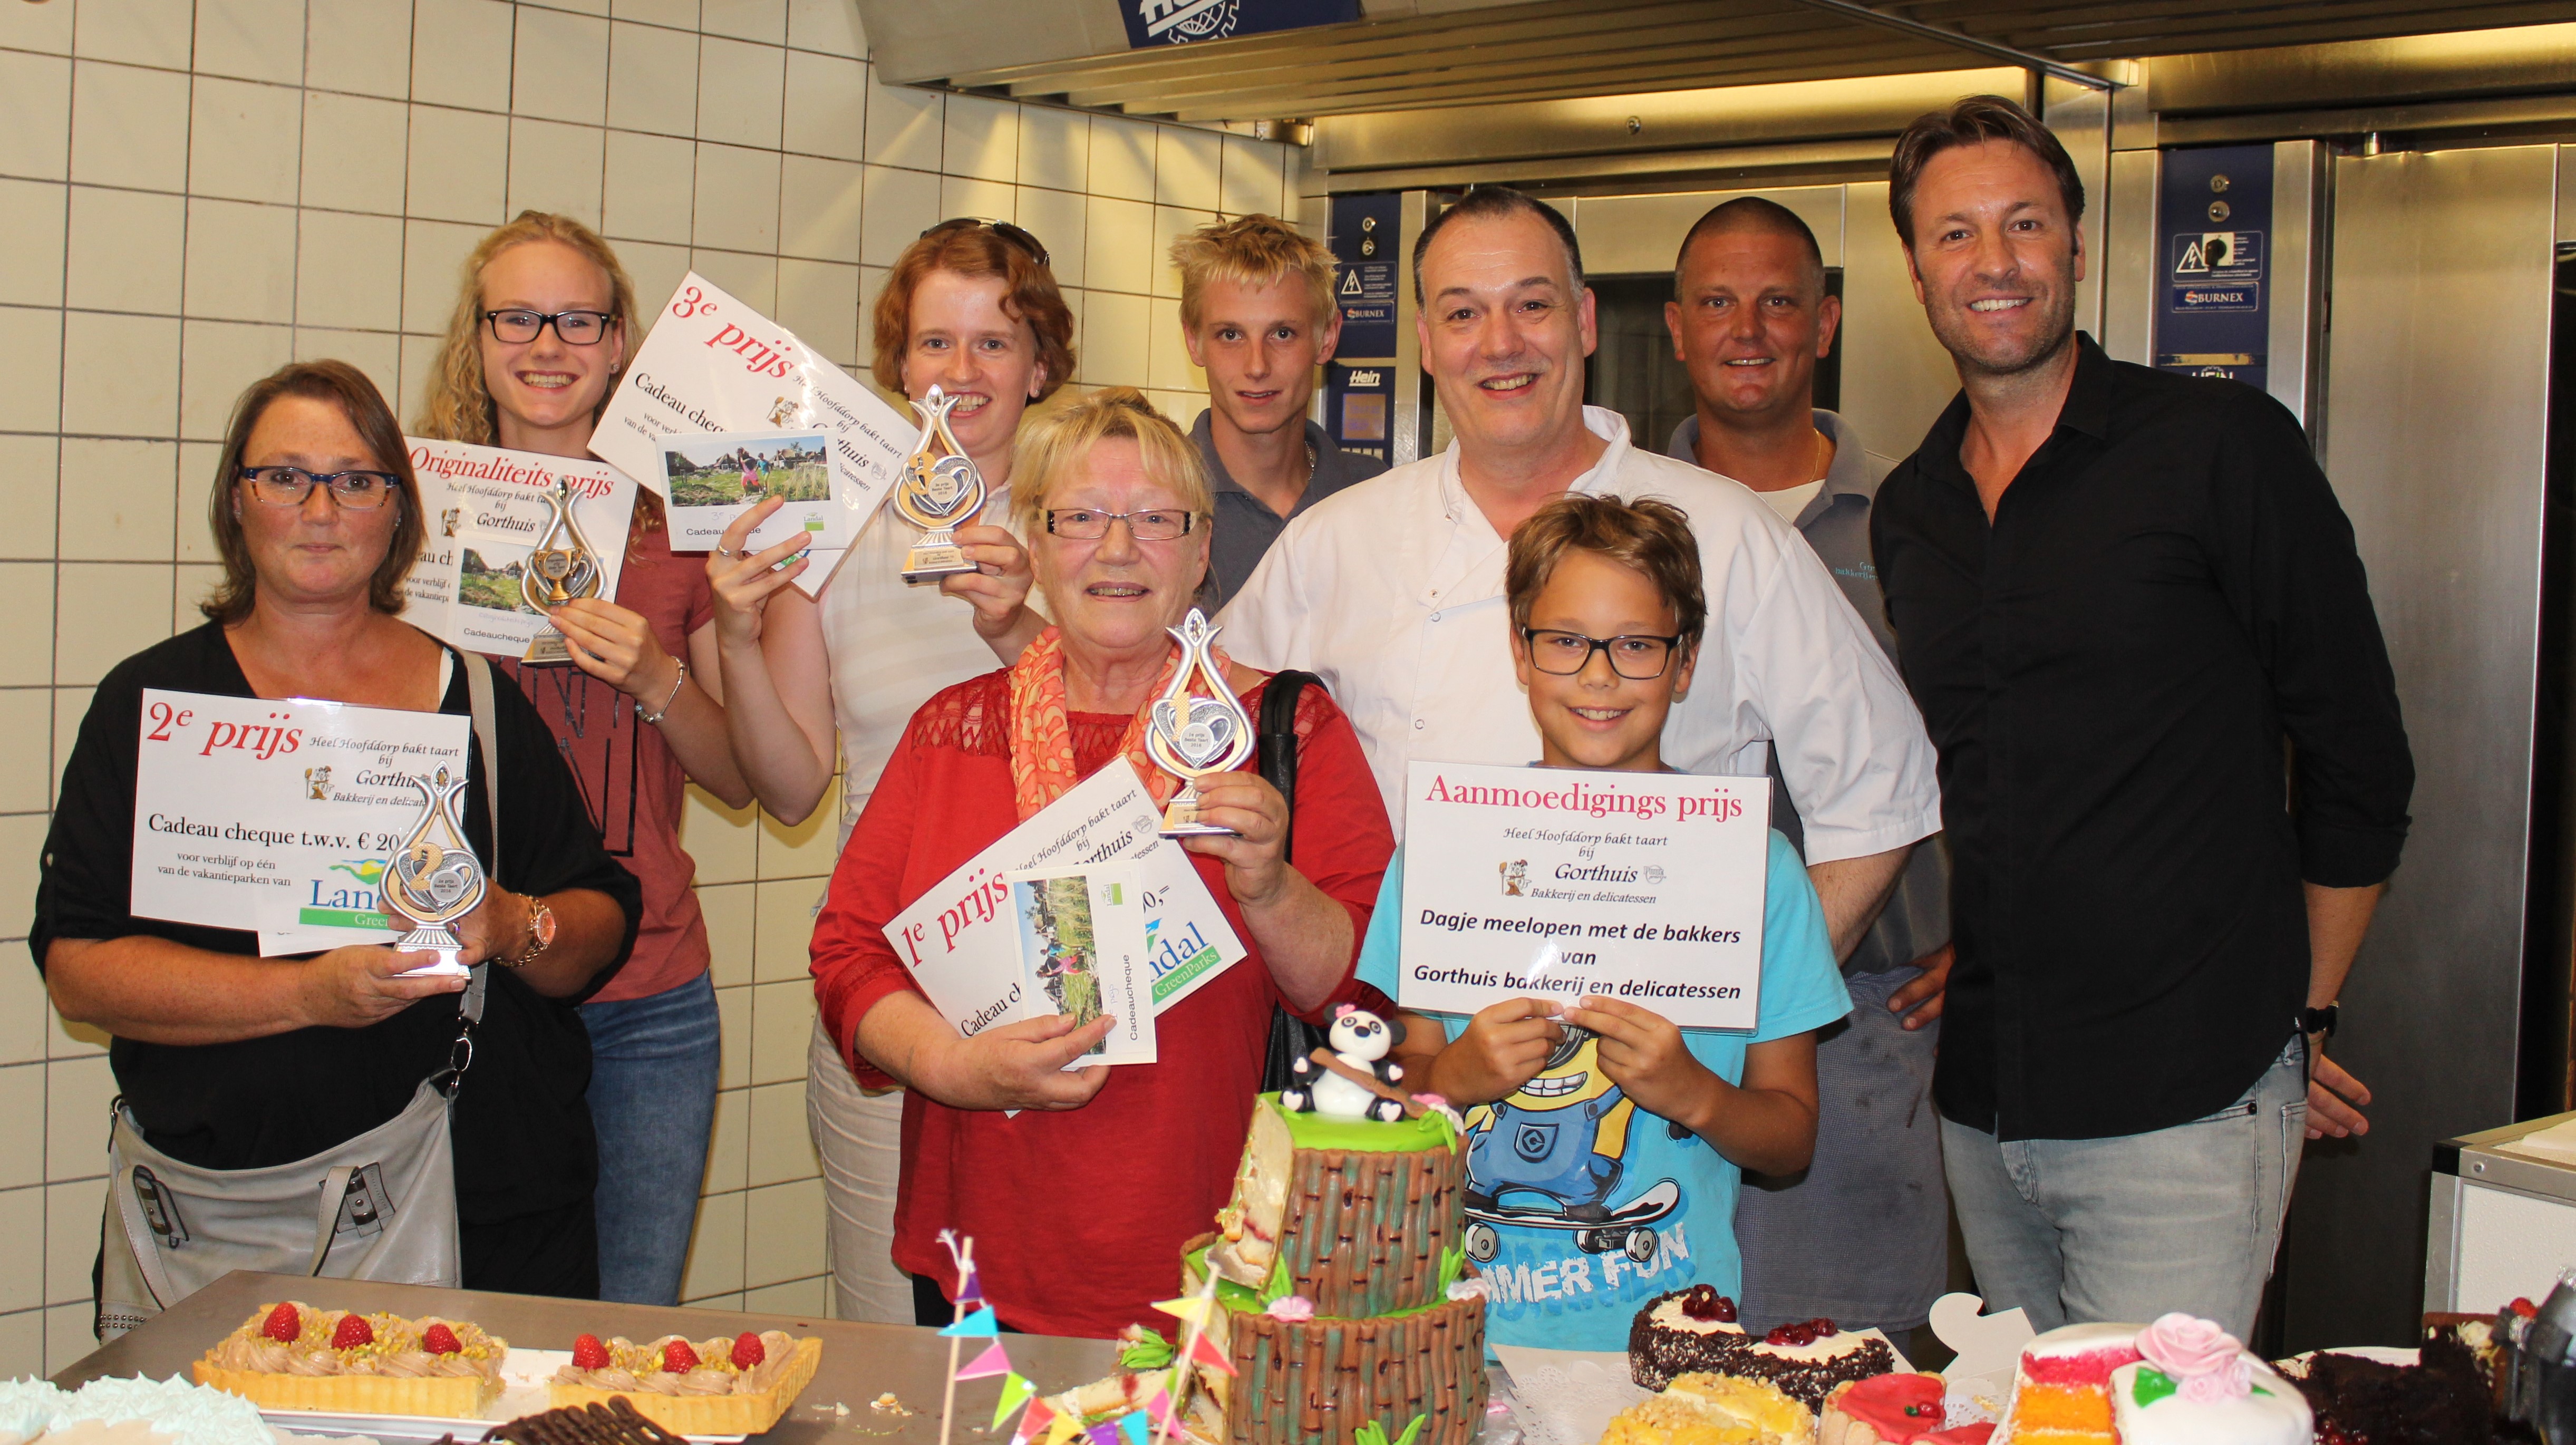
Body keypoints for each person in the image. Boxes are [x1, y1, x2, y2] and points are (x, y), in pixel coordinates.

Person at [1869, 95, 2414, 1337]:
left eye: (2024, 224)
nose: (1994, 262)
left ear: (2073, 243)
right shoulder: (1913, 510)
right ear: (1916, 271)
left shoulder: (2221, 450)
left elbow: (2361, 763)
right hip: (1986, 1103)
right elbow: (1994, 775)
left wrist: (2297, 1018)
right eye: (1956, 235)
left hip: (2188, 1096)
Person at [35, 361, 642, 1317]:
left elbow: (599, 920)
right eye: (286, 477)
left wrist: (514, 924)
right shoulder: (150, 707)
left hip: (479, 1209)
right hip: (218, 1218)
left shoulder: (478, 700)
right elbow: (79, 968)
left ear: (399, 513)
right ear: (237, 503)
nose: (321, 508)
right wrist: (306, 994)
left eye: (358, 481)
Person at [1216, 185, 1943, 968]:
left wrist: (1754, 1005)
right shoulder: (1333, 543)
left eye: (1531, 305)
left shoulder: (1728, 533)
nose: (1500, 344)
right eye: (1463, 314)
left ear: (1584, 321)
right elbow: (1202, 748)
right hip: (1407, 1043)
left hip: (1652, 1063)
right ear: (1426, 343)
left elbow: (1881, 786)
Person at [803, 389, 1394, 1337]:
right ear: (1033, 545)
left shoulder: (1284, 731)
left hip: (1220, 1256)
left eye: (1157, 519)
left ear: (1202, 554)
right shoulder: (953, 729)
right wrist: (953, 1065)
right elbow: (847, 956)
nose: (1117, 550)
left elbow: (1357, 994)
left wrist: (1271, 885)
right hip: (982, 1256)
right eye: (1079, 517)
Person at [1369, 492, 1848, 1348]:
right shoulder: (1444, 855)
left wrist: (1695, 1092)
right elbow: (1388, 1097)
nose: (1598, 676)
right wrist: (1459, 1075)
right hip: (1455, 1338)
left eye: (1636, 646)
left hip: (1670, 1342)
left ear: (1686, 661)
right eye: (1564, 641)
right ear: (1520, 654)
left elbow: (1790, 1139)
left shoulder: (1756, 872)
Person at [713, 219, 1061, 1323]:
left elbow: (1140, 737)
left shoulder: (1087, 518)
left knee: (1060, 1332)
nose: (960, 374)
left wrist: (1022, 621)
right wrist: (732, 634)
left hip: (1063, 976)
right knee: (891, 1335)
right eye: (933, 345)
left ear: (1040, 364)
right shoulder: (839, 530)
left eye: (994, 344)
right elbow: (789, 785)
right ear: (897, 367)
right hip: (885, 986)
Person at [413, 211, 754, 1307]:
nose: (546, 342)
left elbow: (740, 778)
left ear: (619, 345)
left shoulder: (680, 519)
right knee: (460, 1320)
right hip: (460, 978)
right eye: (515, 315)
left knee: (627, 1326)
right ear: (476, 338)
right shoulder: (412, 517)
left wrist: (656, 675)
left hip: (647, 991)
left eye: (578, 318)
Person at [1661, 197, 1953, 1340]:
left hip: (1868, 1017)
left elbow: (1988, 741)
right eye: (1717, 302)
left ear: (1825, 322)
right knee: (1662, 1349)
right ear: (1675, 327)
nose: (1749, 327)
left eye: (1778, 300)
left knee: (1846, 1357)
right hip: (1649, 1014)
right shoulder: (1621, 512)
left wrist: (1986, 935)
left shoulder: (1918, 515)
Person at [1167, 214, 1388, 608]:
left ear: (1327, 337)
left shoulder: (1380, 497)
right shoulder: (1154, 498)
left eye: (1282, 334)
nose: (1257, 366)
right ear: (1193, 340)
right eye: (1230, 335)